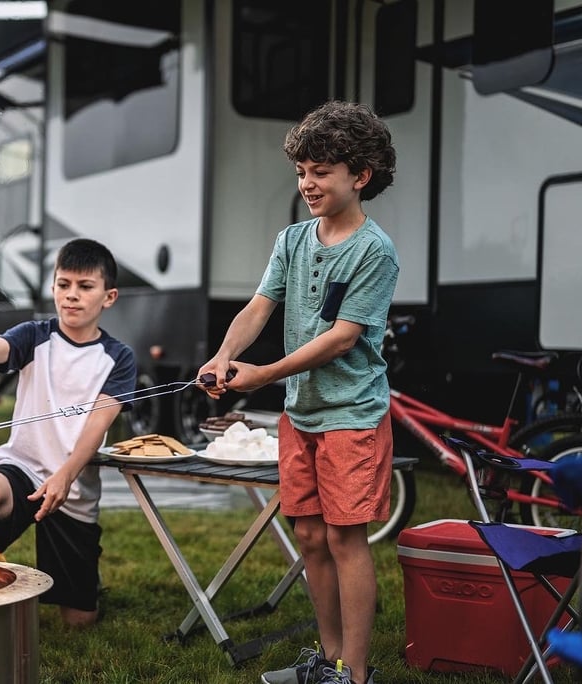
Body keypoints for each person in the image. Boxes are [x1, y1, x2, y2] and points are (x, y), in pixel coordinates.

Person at [198, 101, 398, 684]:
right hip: (301, 416)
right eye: (301, 173)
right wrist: (225, 356)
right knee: (309, 535)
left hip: (352, 416)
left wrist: (263, 375)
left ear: (360, 176)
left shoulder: (374, 251)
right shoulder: (292, 239)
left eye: (320, 173)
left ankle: (354, 674)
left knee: (344, 537)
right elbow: (260, 306)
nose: (307, 184)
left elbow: (341, 339)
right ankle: (329, 658)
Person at [0, 238, 136, 627]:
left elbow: (96, 426)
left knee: (79, 620)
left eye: (85, 287)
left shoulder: (119, 358)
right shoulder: (35, 336)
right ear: (52, 287)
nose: (71, 296)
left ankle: (85, 583)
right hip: (22, 469)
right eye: (63, 284)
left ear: (109, 296)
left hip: (73, 488)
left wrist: (65, 476)